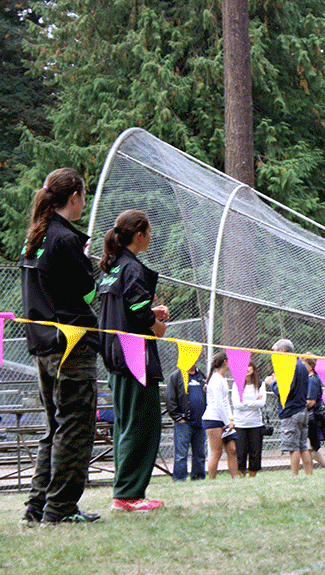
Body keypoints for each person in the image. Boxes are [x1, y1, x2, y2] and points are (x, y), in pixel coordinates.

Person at [18, 168, 101, 526]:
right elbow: (88, 292)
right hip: (71, 346)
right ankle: (60, 508)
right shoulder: (65, 240)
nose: (85, 201)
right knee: (76, 427)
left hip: (43, 344)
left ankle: (37, 507)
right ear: (74, 197)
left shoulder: (35, 238)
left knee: (56, 427)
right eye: (84, 195)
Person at [98, 209, 168, 513]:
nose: (151, 237)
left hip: (115, 356)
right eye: (149, 231)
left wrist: (154, 311)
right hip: (134, 358)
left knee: (126, 424)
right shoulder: (132, 269)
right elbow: (140, 314)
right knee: (142, 424)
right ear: (138, 235)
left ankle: (125, 492)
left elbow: (131, 309)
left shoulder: (111, 269)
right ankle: (128, 495)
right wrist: (158, 325)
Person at [264, 339, 312, 476]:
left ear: (283, 351)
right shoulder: (301, 365)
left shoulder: (287, 366)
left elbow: (284, 390)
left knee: (293, 447)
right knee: (303, 446)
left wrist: (272, 383)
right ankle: (309, 475)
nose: (273, 355)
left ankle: (294, 476)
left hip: (291, 412)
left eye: (275, 352)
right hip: (302, 410)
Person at [164, 360, 207, 481]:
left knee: (200, 453)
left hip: (200, 422)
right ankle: (179, 479)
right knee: (181, 454)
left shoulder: (201, 376)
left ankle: (198, 477)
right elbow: (169, 398)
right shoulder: (176, 376)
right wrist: (178, 417)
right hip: (184, 423)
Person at [201, 351, 239, 479]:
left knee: (232, 450)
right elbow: (218, 405)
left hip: (224, 420)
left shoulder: (222, 379)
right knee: (216, 452)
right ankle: (211, 479)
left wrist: (230, 419)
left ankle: (236, 479)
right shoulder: (216, 380)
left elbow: (225, 402)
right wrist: (227, 422)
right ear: (225, 362)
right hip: (213, 419)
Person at [302, 356, 325, 474]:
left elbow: (311, 401)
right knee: (312, 447)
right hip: (309, 417)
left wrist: (296, 406)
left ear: (311, 366)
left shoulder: (312, 380)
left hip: (312, 418)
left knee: (310, 447)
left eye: (304, 364)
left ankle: (316, 471)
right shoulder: (309, 379)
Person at [232, 361, 266, 477]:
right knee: (240, 452)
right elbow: (236, 404)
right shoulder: (236, 384)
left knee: (255, 452)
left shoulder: (260, 384)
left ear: (253, 368)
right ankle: (241, 474)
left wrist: (245, 403)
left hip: (256, 424)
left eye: (249, 366)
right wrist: (253, 402)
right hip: (240, 424)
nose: (247, 369)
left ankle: (252, 476)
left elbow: (262, 403)